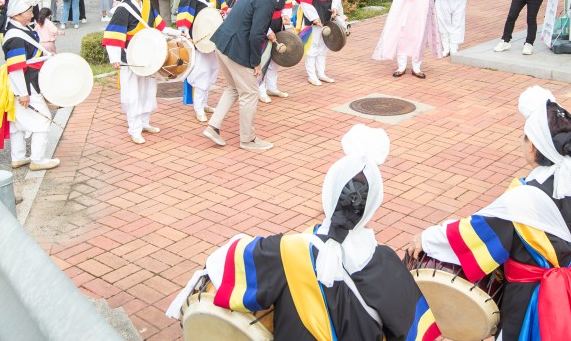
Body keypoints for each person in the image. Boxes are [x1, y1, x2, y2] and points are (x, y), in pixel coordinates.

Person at [169, 125, 441, 341]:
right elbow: (420, 333)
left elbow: (221, 262)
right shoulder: (387, 265)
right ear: (372, 206)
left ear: (327, 195)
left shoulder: (285, 251)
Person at [409, 87, 571, 341]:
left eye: (525, 137)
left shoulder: (522, 199)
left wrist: (426, 238)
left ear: (533, 147)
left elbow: (471, 234)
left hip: (527, 300)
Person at [203, 0, 301, 150]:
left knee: (234, 88)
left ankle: (213, 127)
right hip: (236, 48)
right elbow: (256, 34)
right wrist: (255, 62)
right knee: (250, 93)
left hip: (223, 42)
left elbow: (253, 22)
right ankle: (247, 140)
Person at [104, 0, 180, 144]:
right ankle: (134, 128)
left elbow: (160, 27)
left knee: (147, 90)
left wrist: (176, 34)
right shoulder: (123, 10)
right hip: (130, 59)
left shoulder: (147, 4)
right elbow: (113, 36)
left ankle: (144, 122)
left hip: (148, 57)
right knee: (133, 93)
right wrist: (114, 58)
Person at [0, 0, 60, 172]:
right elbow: (16, 67)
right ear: (17, 15)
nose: (32, 13)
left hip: (22, 85)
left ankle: (18, 157)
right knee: (43, 120)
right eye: (28, 11)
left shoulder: (19, 29)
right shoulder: (15, 37)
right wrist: (23, 93)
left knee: (17, 123)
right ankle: (38, 159)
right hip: (25, 86)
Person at [177, 0, 225, 124]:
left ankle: (203, 103)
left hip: (213, 40)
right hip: (198, 41)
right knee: (202, 73)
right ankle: (198, 108)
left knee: (212, 71)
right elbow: (183, 20)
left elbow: (223, 8)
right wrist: (186, 37)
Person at [255, 0, 292, 103]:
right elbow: (257, 16)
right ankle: (260, 89)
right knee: (263, 59)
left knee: (275, 59)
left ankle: (272, 87)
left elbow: (285, 1)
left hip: (277, 25)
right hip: (263, 28)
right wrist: (268, 31)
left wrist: (285, 14)